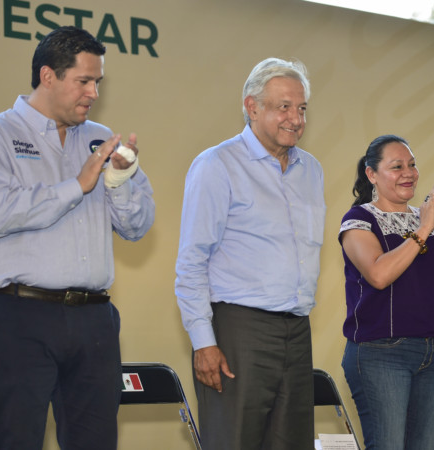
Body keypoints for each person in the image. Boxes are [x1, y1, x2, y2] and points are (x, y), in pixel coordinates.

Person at [0, 26, 155, 450]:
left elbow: (138, 228)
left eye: (97, 82)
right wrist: (77, 186)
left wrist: (119, 181)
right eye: (83, 81)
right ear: (48, 76)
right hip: (16, 314)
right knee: (17, 440)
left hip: (94, 318)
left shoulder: (103, 140)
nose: (93, 93)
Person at [174, 57, 325, 449]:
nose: (295, 118)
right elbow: (192, 261)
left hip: (297, 328)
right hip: (238, 331)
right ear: (251, 106)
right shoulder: (217, 165)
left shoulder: (312, 170)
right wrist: (203, 342)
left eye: (302, 108)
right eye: (283, 107)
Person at [339, 134, 434, 449]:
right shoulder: (358, 220)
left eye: (412, 165)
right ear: (371, 174)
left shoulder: (433, 220)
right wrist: (422, 231)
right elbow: (378, 274)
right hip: (380, 352)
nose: (409, 173)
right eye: (397, 166)